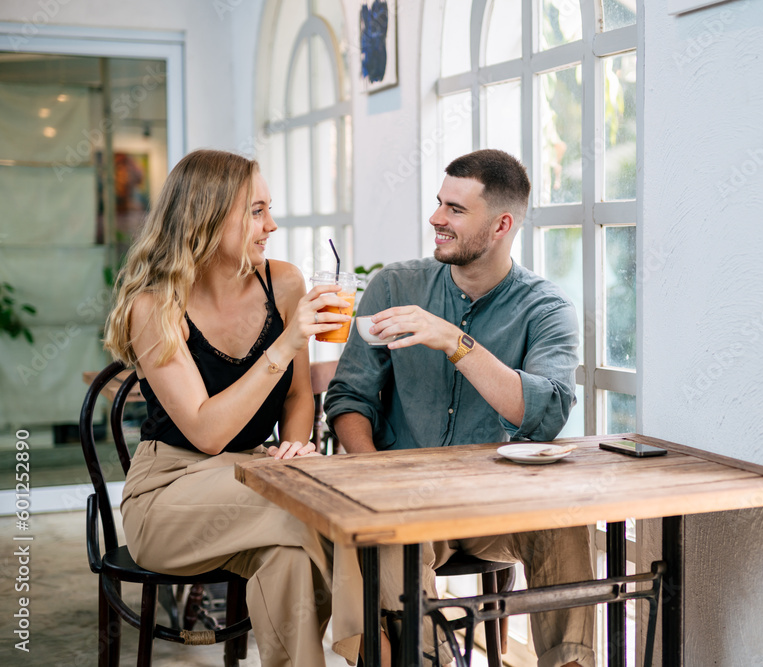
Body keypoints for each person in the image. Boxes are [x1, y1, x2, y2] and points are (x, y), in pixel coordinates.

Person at [325, 149, 595, 667]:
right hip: (406, 499)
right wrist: (373, 469)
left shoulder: (546, 308)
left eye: (455, 209)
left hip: (495, 505)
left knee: (566, 519)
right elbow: (348, 397)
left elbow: (545, 414)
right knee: (389, 534)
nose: (436, 219)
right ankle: (425, 660)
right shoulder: (394, 286)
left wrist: (456, 342)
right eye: (438, 204)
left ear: (501, 225)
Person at [104, 148, 356, 666]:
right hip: (169, 492)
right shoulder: (154, 306)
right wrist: (284, 344)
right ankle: (386, 643)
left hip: (252, 475)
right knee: (316, 508)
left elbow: (296, 394)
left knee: (288, 558)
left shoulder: (282, 283)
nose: (273, 224)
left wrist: (296, 444)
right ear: (208, 216)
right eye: (257, 210)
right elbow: (207, 434)